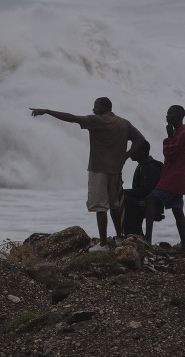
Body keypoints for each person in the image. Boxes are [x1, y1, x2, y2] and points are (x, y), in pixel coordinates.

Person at [30, 97, 146, 252]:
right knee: (114, 205)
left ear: (103, 107)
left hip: (98, 169)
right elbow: (141, 140)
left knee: (100, 206)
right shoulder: (124, 123)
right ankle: (119, 238)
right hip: (116, 170)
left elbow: (71, 118)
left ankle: (104, 244)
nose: (93, 110)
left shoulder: (97, 121)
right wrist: (125, 155)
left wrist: (48, 111)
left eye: (95, 107)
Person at [145, 105, 185, 252]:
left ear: (179, 116)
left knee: (151, 200)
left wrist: (168, 137)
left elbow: (170, 153)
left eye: (170, 113)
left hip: (175, 177)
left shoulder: (182, 135)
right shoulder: (181, 133)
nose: (167, 116)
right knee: (177, 209)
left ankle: (148, 240)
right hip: (179, 177)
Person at [110, 141, 164, 237]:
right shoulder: (141, 165)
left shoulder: (150, 167)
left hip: (150, 205)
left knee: (121, 198)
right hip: (142, 202)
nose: (130, 152)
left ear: (142, 151)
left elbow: (145, 191)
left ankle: (132, 235)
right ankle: (130, 234)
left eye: (133, 149)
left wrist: (122, 192)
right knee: (119, 197)